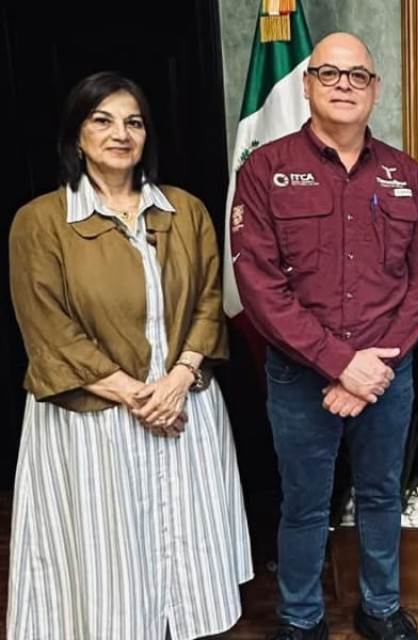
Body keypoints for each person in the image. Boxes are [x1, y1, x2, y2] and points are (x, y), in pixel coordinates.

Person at [6, 71, 252, 640]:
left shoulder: (185, 211)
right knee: (107, 566)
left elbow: (209, 301)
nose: (121, 134)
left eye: (133, 122)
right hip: (96, 421)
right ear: (76, 136)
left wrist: (178, 379)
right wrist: (138, 396)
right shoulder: (41, 222)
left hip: (184, 407)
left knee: (185, 549)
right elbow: (48, 329)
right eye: (103, 120)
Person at [231, 33, 418, 640]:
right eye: (330, 73)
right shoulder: (264, 170)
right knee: (303, 503)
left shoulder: (406, 175)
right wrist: (339, 363)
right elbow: (260, 285)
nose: (344, 85)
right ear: (307, 84)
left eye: (357, 75)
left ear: (376, 89)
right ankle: (301, 618)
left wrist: (374, 367)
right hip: (299, 377)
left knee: (380, 496)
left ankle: (380, 608)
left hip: (386, 375)